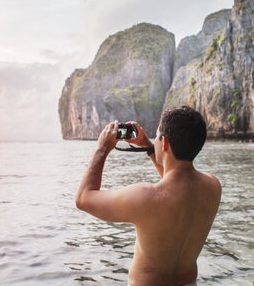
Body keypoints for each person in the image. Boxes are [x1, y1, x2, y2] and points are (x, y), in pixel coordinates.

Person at [76, 106, 222, 286]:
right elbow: (177, 185)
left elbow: (83, 198)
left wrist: (102, 149)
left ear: (165, 143)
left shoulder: (147, 197)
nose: (155, 139)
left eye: (157, 135)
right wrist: (146, 144)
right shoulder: (213, 186)